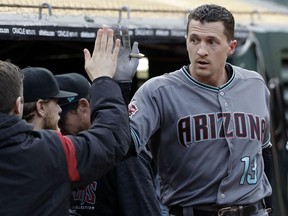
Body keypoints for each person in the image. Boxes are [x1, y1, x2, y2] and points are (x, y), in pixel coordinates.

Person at [127, 4, 272, 216]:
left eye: (212, 42)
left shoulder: (255, 84)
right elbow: (123, 146)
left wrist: (270, 207)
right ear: (186, 41)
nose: (201, 50)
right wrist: (116, 85)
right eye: (194, 40)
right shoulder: (159, 91)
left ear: (231, 47)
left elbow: (265, 151)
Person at [0, 27, 131, 216]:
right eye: (56, 102)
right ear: (18, 106)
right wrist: (104, 80)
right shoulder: (51, 151)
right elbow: (112, 138)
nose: (61, 108)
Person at [56, 72, 161, 216]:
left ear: (83, 106)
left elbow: (143, 210)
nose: (56, 126)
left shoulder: (123, 153)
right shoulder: (64, 151)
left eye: (61, 119)